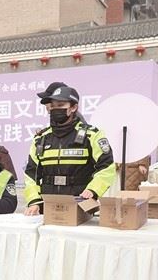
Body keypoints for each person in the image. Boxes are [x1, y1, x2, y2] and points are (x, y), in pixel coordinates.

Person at [24, 86, 115, 215]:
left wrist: (93, 190)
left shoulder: (92, 135)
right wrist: (34, 201)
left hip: (81, 204)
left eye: (61, 105)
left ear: (73, 107)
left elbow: (106, 166)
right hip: (48, 205)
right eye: (53, 106)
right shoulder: (41, 138)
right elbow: (31, 174)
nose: (56, 109)